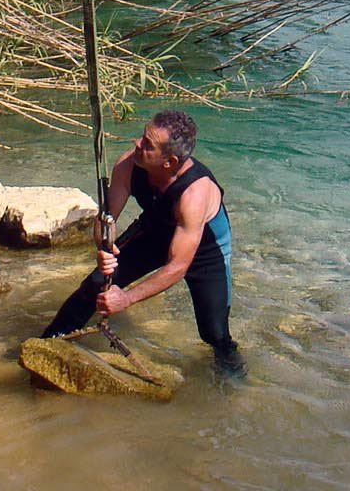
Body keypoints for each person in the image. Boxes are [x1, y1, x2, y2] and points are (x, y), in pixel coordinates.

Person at [41, 110, 244, 375]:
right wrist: (104, 247)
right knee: (94, 286)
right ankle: (46, 344)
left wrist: (126, 298)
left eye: (148, 144)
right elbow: (106, 217)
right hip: (155, 230)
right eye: (142, 136)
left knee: (214, 333)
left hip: (205, 251)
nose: (137, 143)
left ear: (169, 162)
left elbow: (177, 267)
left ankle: (232, 381)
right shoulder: (128, 164)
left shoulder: (194, 194)